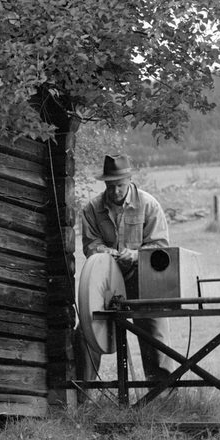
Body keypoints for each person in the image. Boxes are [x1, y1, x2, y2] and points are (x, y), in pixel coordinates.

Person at [79, 153, 175, 383]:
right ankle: (83, 393)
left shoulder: (148, 204)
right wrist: (110, 254)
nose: (115, 191)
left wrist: (135, 255)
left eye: (120, 185)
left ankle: (162, 395)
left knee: (154, 332)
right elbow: (91, 245)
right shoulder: (92, 208)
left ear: (130, 180)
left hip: (142, 279)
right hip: (105, 283)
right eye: (110, 186)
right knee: (87, 331)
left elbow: (160, 247)